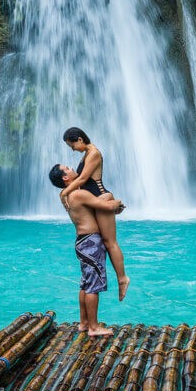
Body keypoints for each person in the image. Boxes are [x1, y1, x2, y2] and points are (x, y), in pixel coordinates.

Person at [49, 163, 125, 337]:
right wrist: (118, 202)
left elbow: (95, 208)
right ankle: (93, 327)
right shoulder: (79, 194)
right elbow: (106, 205)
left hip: (82, 242)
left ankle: (83, 322)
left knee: (85, 283)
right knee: (93, 286)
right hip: (91, 243)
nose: (72, 168)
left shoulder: (66, 195)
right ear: (65, 178)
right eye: (67, 168)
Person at [60, 127, 130, 301]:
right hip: (95, 202)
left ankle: (122, 278)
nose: (72, 149)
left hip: (101, 197)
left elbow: (83, 180)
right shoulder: (86, 154)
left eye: (72, 145)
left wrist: (63, 193)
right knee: (104, 242)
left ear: (79, 139)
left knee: (110, 242)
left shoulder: (94, 153)